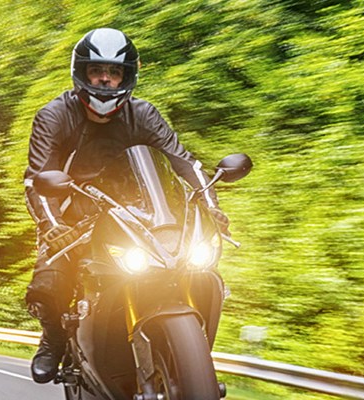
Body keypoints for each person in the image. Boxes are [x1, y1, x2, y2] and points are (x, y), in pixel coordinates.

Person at [23, 27, 231, 384]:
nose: (105, 79)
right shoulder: (55, 115)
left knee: (198, 267)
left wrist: (210, 206)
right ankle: (55, 339)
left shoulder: (144, 114)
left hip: (140, 214)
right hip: (75, 215)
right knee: (50, 282)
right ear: (82, 73)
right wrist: (52, 226)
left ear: (127, 75)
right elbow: (38, 180)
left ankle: (190, 360)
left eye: (114, 72)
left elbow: (184, 163)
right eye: (97, 71)